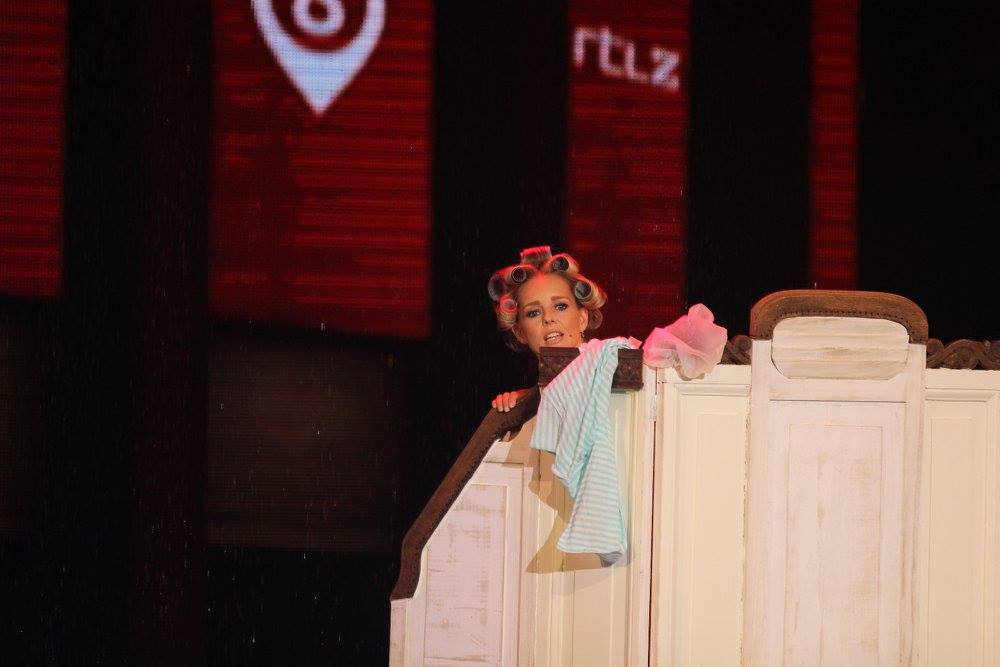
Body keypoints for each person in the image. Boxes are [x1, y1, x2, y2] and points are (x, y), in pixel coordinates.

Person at [487, 245, 607, 412]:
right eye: (534, 313)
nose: (548, 318)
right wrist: (526, 403)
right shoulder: (516, 410)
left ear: (582, 318)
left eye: (560, 306)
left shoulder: (613, 368)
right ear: (520, 333)